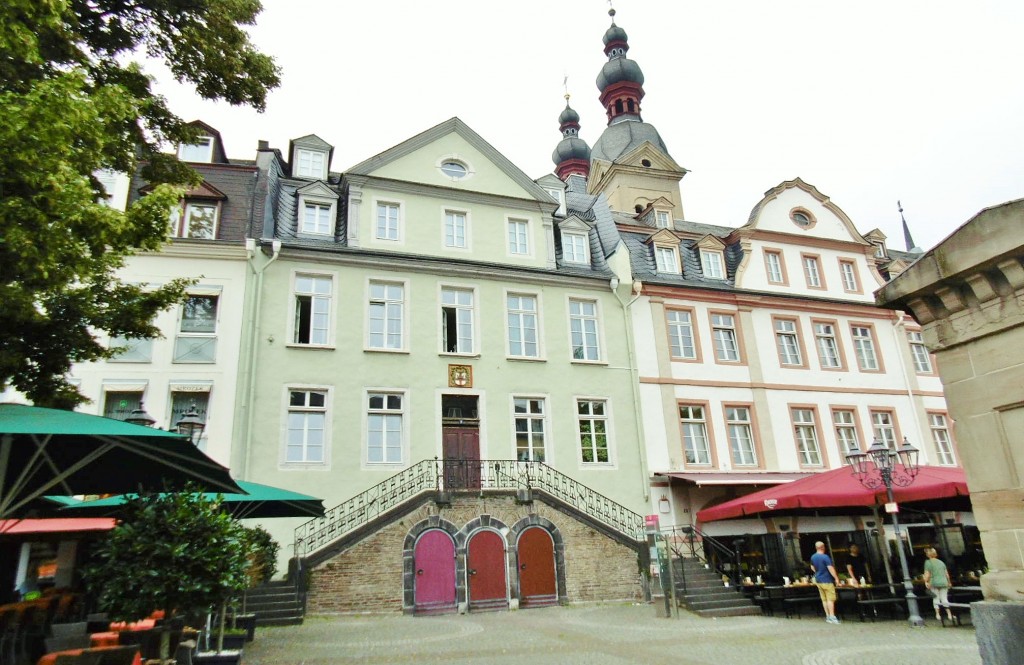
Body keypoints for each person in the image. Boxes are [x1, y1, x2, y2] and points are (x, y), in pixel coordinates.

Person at [810, 541, 841, 624]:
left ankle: (827, 616)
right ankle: (832, 616)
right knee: (830, 599)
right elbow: (830, 568)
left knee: (824, 599)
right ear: (823, 547)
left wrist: (817, 572)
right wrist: (836, 578)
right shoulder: (825, 557)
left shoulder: (813, 557)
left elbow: (812, 567)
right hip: (827, 579)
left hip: (818, 580)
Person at [923, 547, 954, 623]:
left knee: (936, 598)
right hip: (944, 582)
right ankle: (949, 614)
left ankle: (938, 614)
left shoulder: (928, 562)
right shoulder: (941, 562)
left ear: (928, 555)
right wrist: (949, 582)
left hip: (934, 582)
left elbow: (927, 574)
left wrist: (926, 581)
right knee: (944, 598)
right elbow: (946, 574)